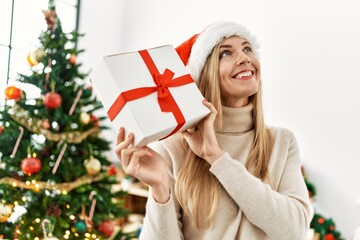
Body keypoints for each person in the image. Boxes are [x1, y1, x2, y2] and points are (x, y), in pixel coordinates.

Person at [115, 21, 313, 240]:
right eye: (225, 53)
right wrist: (160, 188)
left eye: (247, 49)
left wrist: (216, 157)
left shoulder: (282, 142)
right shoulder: (172, 148)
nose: (245, 57)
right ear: (204, 73)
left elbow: (295, 231)